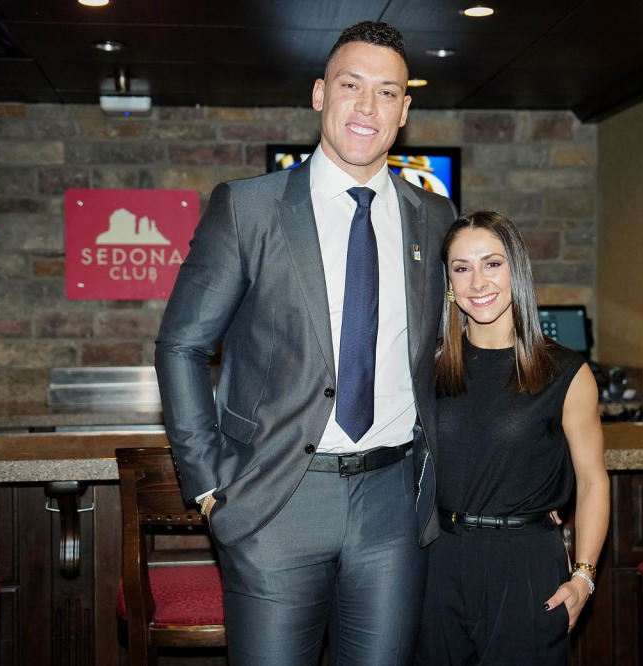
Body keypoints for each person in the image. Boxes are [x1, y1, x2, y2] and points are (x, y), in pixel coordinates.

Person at [155, 20, 457, 665]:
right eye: (351, 86)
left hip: (392, 504)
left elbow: (444, 349)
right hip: (274, 501)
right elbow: (181, 346)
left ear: (405, 110)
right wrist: (208, 484)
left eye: (386, 92)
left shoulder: (433, 218)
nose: (367, 107)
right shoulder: (248, 208)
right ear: (320, 93)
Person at [416, 211, 610, 665]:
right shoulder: (427, 366)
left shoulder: (566, 372)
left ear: (516, 270)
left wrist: (584, 576)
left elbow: (593, 482)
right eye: (461, 268)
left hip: (526, 566)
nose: (478, 281)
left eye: (492, 264)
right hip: (439, 561)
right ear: (448, 282)